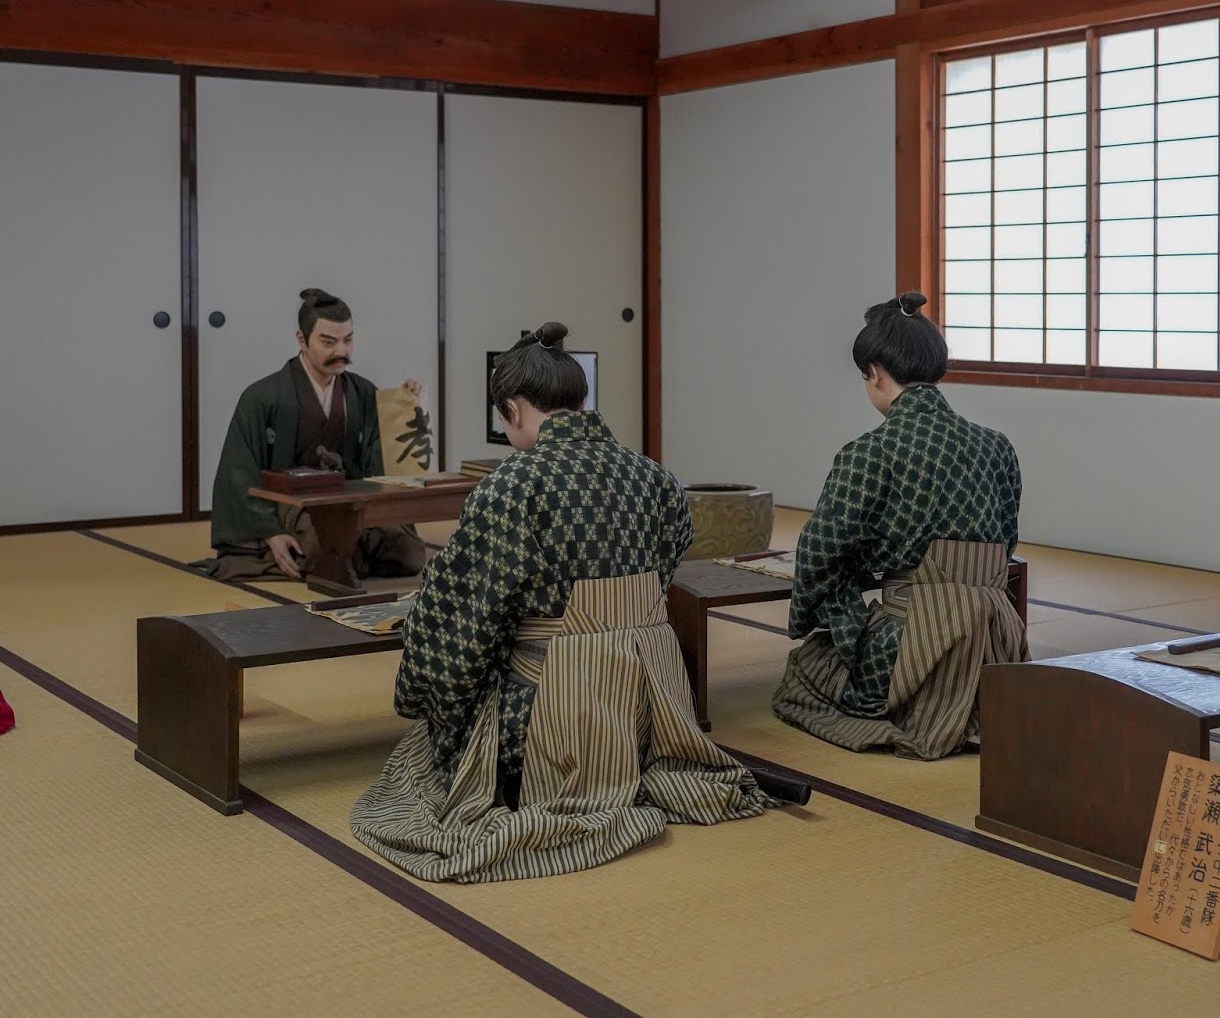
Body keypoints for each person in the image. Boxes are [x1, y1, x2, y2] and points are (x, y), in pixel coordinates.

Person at [350, 323, 781, 882]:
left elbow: (462, 618)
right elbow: (663, 573)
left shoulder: (511, 485)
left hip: (548, 714)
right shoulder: (655, 477)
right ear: (581, 401)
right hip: (650, 710)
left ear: (514, 410)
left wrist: (428, 702)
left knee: (428, 745)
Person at [770, 291, 1027, 760]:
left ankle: (914, 708)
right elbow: (1006, 540)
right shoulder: (996, 445)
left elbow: (821, 548)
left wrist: (819, 615)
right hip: (998, 640)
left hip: (911, 640)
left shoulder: (871, 451)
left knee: (802, 675)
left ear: (875, 374)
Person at [206, 288, 428, 583]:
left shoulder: (362, 392)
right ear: (302, 339)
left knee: (410, 555)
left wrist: (404, 407)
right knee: (316, 549)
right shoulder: (262, 397)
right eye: (328, 341)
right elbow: (239, 471)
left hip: (352, 500)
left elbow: (385, 459)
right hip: (294, 506)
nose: (342, 352)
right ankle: (339, 555)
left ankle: (348, 555)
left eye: (348, 340)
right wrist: (270, 533)